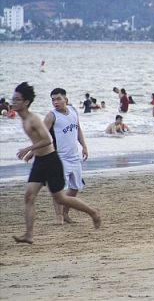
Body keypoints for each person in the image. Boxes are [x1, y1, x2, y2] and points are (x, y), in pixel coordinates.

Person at [11, 82, 101, 244]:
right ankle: (29, 235)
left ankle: (92, 212)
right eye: (13, 99)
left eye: (17, 99)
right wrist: (32, 153)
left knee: (60, 198)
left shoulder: (34, 119)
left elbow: (47, 139)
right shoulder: (25, 120)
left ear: (26, 102)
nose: (13, 102)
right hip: (40, 160)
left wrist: (28, 149)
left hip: (51, 159)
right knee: (29, 196)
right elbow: (40, 139)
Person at [39, 88, 90, 224]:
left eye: (58, 99)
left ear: (65, 100)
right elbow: (41, 134)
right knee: (59, 189)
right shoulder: (51, 116)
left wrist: (84, 146)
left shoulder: (73, 111)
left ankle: (65, 213)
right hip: (60, 158)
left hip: (74, 156)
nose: (55, 102)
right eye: (53, 100)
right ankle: (58, 217)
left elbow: (78, 129)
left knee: (75, 187)